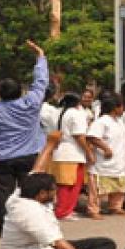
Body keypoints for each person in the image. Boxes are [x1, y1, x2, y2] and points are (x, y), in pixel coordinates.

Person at [0, 41, 50, 232]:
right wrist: (40, 57)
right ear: (20, 91)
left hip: (2, 157)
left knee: (4, 194)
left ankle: (5, 229)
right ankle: (29, 227)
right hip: (29, 155)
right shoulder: (31, 102)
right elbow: (41, 82)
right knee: (29, 193)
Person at [1, 173, 116, 249]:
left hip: (45, 247)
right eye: (54, 189)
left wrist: (48, 149)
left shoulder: (24, 192)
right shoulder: (29, 211)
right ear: (42, 193)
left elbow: (37, 168)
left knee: (106, 243)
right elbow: (56, 242)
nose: (56, 192)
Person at [84, 95, 125, 217]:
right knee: (97, 188)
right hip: (103, 161)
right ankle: (93, 210)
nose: (123, 109)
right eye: (121, 106)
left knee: (119, 185)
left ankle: (115, 207)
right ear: (115, 108)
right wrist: (106, 148)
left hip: (119, 160)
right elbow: (92, 137)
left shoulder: (119, 121)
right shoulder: (102, 121)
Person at [49, 92, 92, 220]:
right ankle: (64, 211)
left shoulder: (58, 112)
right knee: (71, 185)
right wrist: (88, 151)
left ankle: (66, 209)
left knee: (64, 185)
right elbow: (79, 135)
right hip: (73, 153)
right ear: (78, 103)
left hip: (61, 151)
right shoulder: (76, 113)